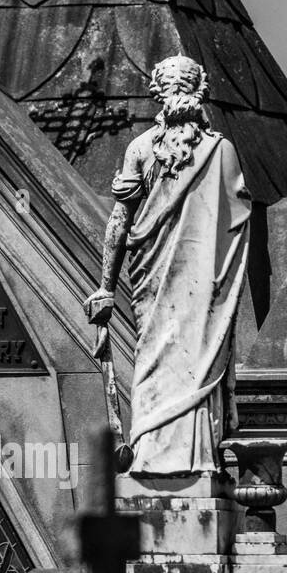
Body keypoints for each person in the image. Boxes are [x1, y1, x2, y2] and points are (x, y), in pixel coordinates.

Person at [84, 55, 251, 476]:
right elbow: (235, 228)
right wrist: (105, 288)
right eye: (174, 86)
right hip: (164, 283)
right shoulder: (209, 149)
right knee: (164, 359)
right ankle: (158, 458)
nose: (177, 92)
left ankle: (191, 460)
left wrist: (107, 286)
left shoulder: (212, 150)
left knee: (180, 359)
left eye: (181, 85)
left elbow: (121, 220)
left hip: (197, 285)